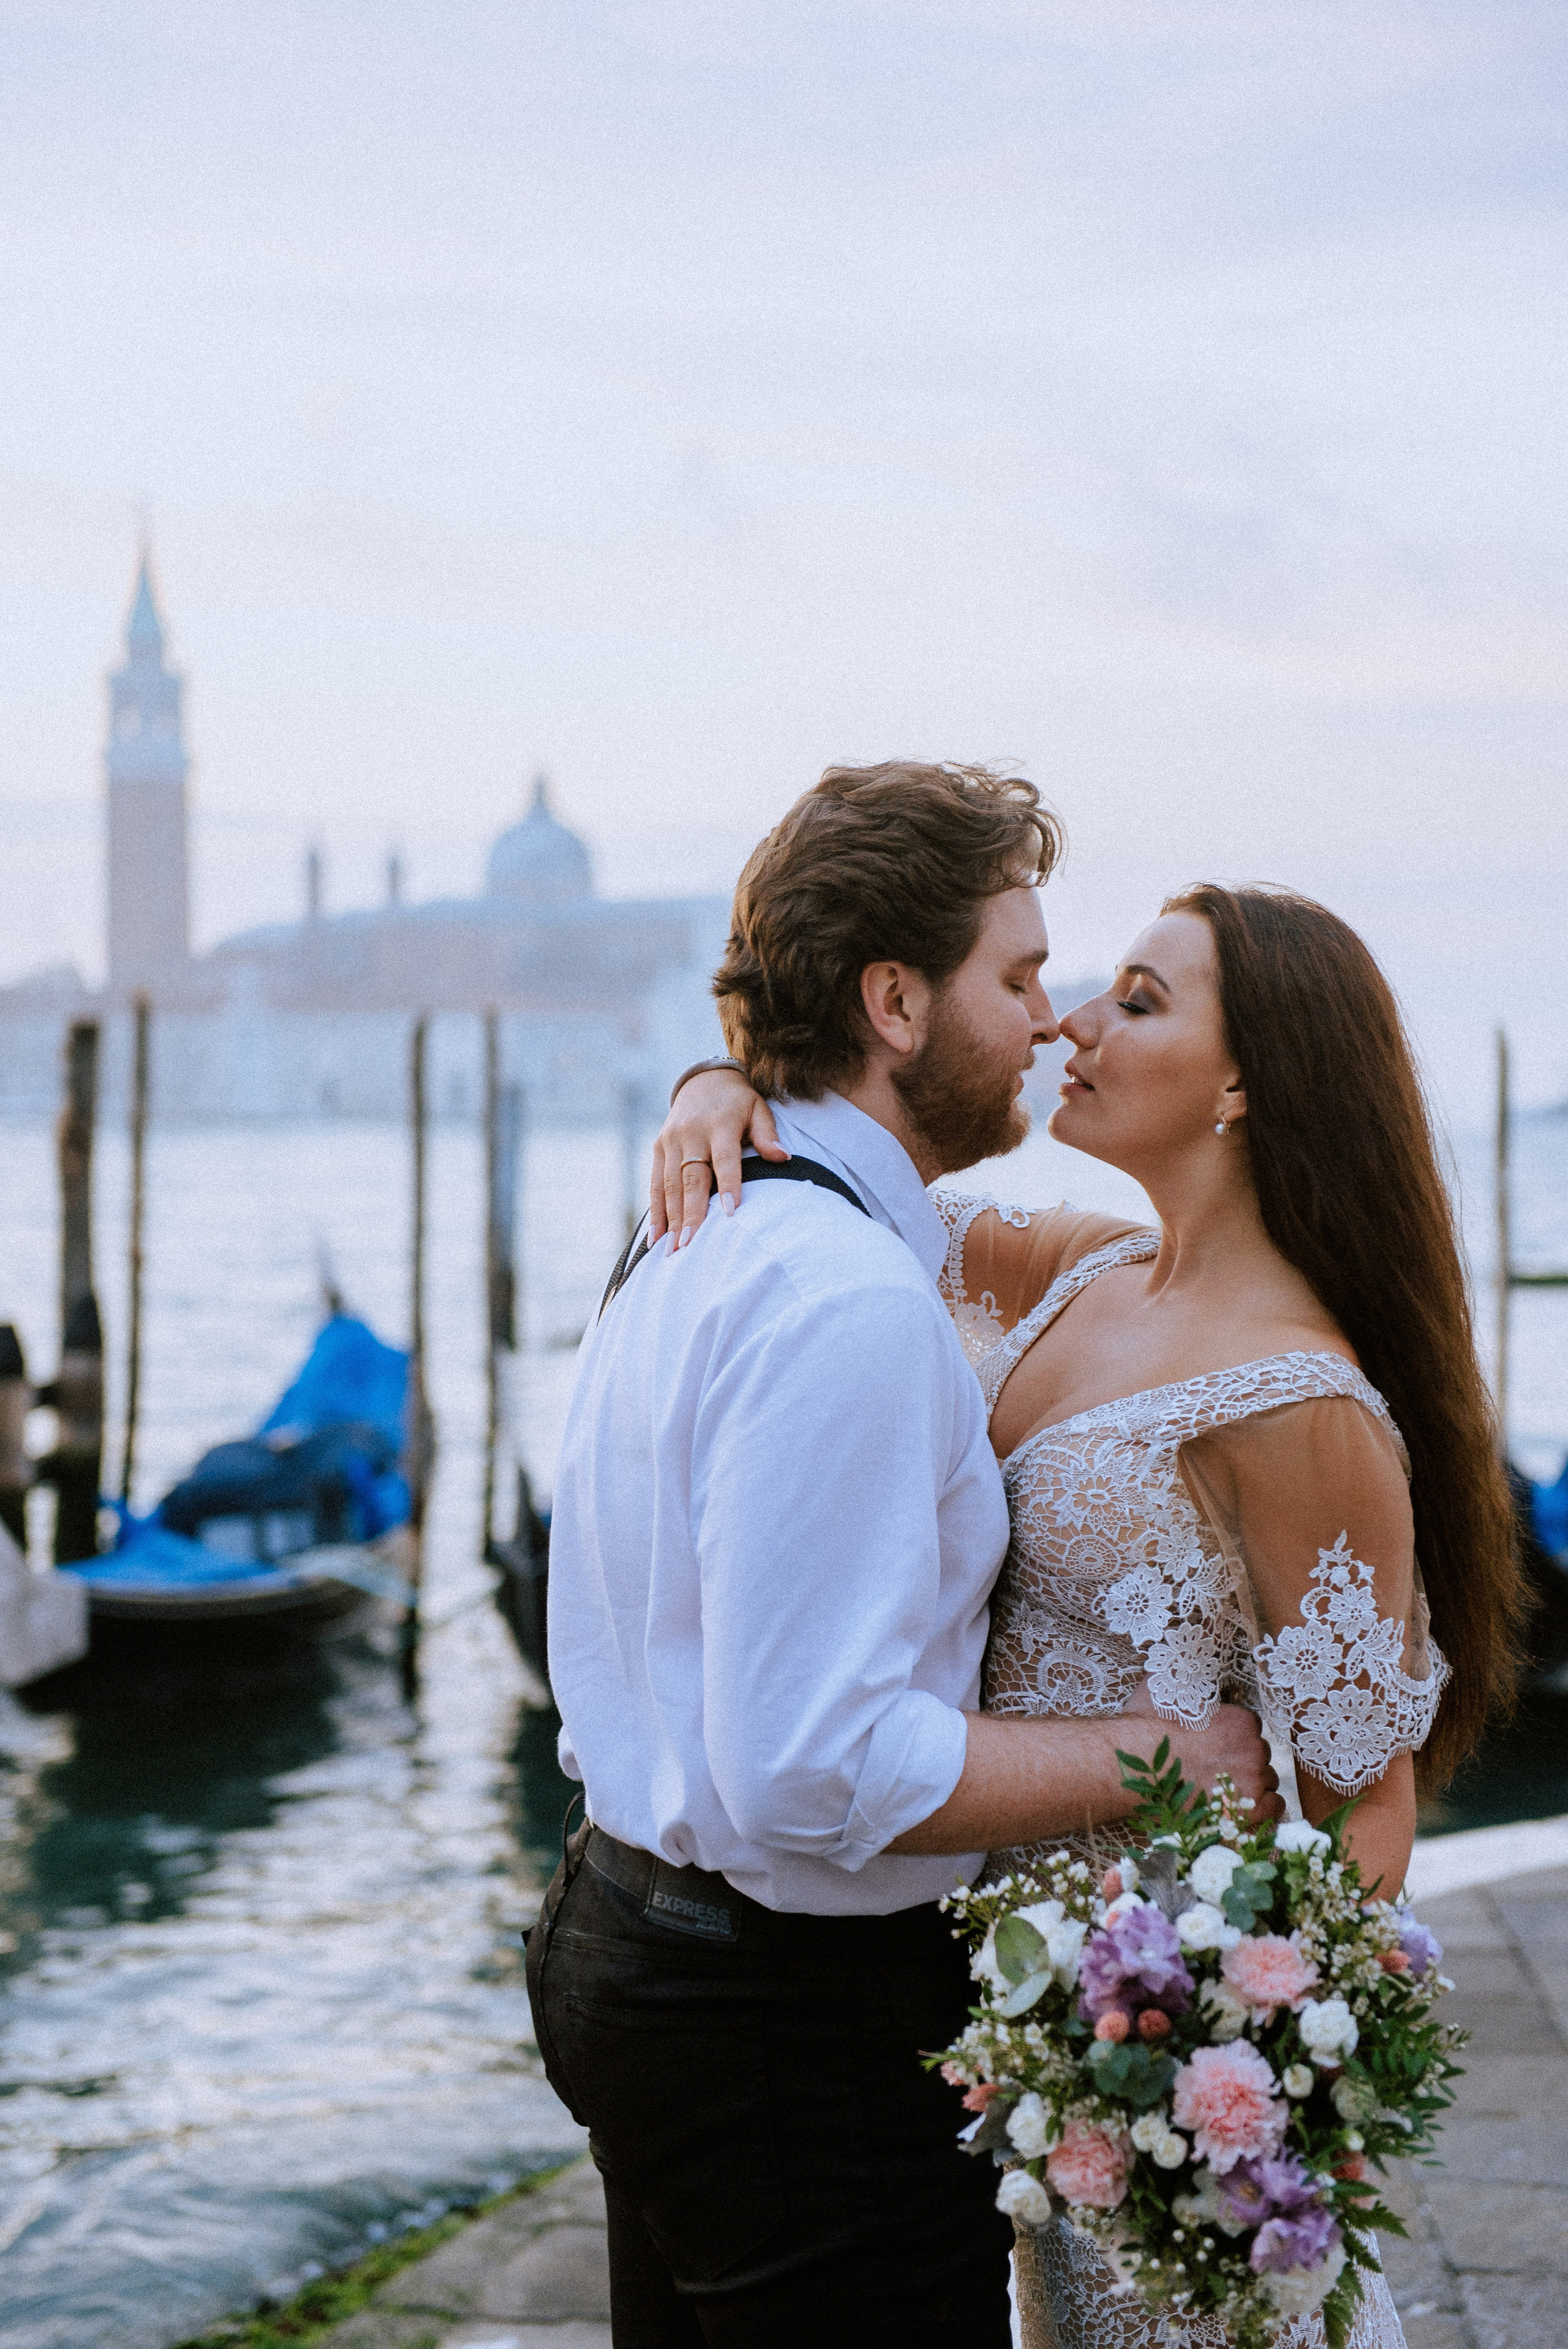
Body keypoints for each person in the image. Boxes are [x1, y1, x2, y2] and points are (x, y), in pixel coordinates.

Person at [656, 881, 1523, 2349]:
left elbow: (1363, 1807)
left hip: (1155, 2078)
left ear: (1242, 1081)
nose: (1069, 1022)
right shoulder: (1080, 1270)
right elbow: (856, 1172)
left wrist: (1222, 2064)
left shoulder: (1297, 1404)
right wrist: (714, 1082)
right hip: (1008, 2037)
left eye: (1135, 999)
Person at [530, 765, 1281, 2349]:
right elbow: (818, 1766)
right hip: (778, 2031)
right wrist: (1174, 1752)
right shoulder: (849, 1301)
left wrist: (709, 1083)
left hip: (637, 1942)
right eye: (1015, 977)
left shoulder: (708, 1226)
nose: (1045, 1017)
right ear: (895, 1000)